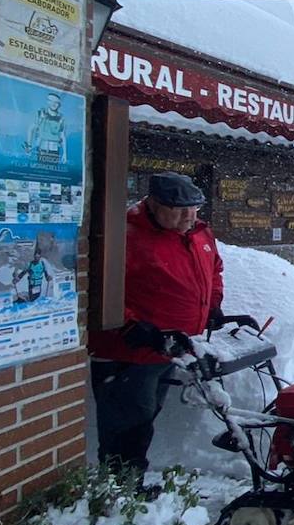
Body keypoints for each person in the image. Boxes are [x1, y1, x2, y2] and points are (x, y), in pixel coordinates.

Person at [89, 172, 225, 477]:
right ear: (153, 204)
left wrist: (213, 306)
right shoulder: (125, 236)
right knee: (126, 426)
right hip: (129, 354)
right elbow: (99, 287)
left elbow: (215, 269)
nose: (188, 217)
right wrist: (128, 326)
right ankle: (119, 493)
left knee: (145, 418)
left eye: (194, 209)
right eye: (178, 210)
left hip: (168, 350)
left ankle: (130, 484)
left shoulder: (200, 234)